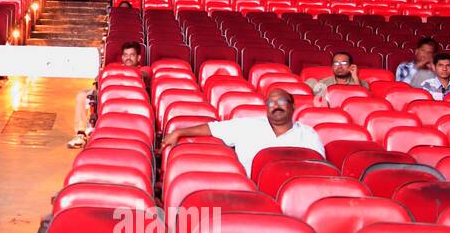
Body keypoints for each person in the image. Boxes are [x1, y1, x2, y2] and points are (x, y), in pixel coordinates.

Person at [161, 88, 325, 177]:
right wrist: (179, 132)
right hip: (249, 190)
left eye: (281, 101)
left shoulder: (308, 134)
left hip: (291, 191)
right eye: (271, 102)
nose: (276, 106)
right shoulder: (247, 125)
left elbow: (319, 169)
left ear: (293, 106)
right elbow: (212, 128)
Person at [68, 42, 148, 148]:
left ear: (138, 57)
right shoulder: (113, 67)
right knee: (82, 95)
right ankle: (81, 134)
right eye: (125, 55)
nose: (128, 58)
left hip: (130, 101)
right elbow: (98, 78)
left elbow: (146, 75)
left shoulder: (144, 69)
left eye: (132, 55)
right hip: (108, 96)